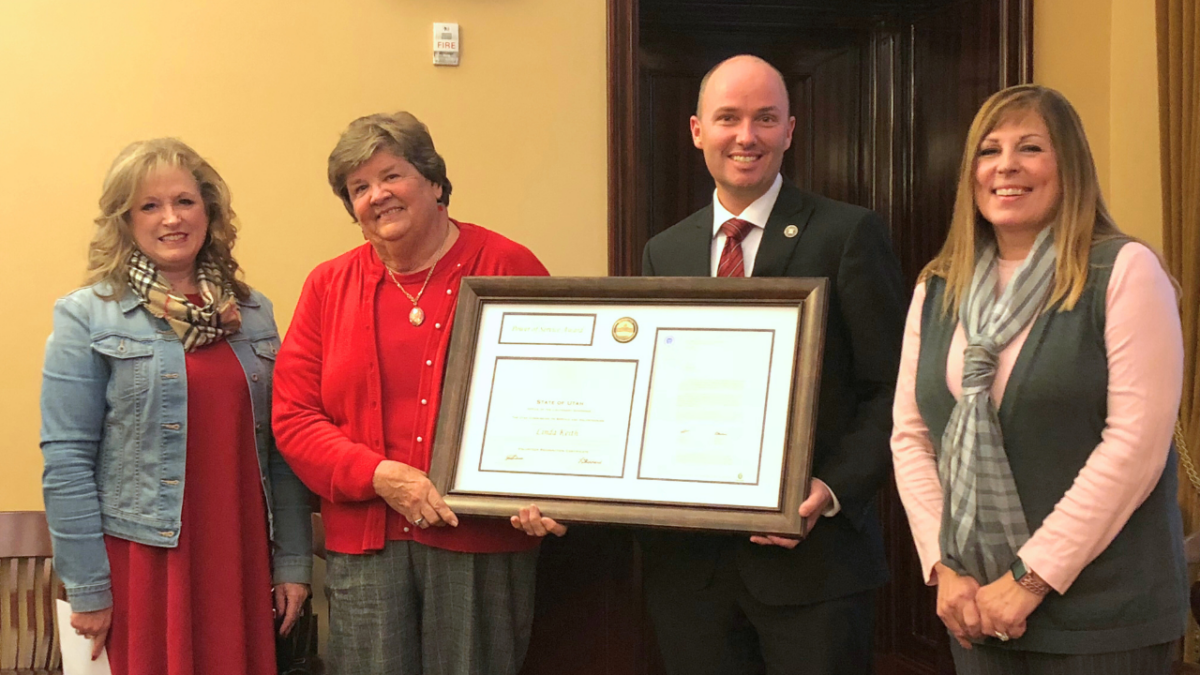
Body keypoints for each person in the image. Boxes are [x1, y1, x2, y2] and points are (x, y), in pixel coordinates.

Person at [891, 84, 1187, 674]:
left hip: (1103, 618)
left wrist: (1030, 578)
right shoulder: (937, 287)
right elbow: (911, 435)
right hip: (974, 610)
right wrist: (943, 566)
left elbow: (1135, 448)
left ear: (1069, 166)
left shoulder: (1124, 271)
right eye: (988, 150)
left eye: (1030, 148)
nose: (1006, 166)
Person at [632, 54, 907, 675]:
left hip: (814, 570)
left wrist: (831, 491)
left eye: (765, 118)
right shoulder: (665, 249)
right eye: (728, 118)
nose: (746, 136)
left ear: (790, 130)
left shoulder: (849, 234)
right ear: (698, 129)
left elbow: (896, 389)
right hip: (691, 575)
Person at [272, 111, 552, 675]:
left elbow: (559, 395)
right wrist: (380, 476)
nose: (378, 196)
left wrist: (549, 486)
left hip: (481, 542)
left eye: (391, 176)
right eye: (359, 187)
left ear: (434, 181)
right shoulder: (328, 286)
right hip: (364, 548)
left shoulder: (508, 268)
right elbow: (294, 418)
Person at [40, 138, 313, 673]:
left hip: (239, 553)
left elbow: (282, 448)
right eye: (150, 205)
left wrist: (294, 561)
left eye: (185, 201)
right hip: (145, 560)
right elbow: (66, 460)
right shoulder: (87, 316)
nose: (171, 218)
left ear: (208, 211)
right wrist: (89, 587)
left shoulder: (254, 314)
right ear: (125, 220)